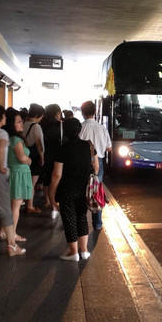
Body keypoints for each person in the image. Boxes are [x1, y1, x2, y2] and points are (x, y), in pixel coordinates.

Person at [49, 118, 99, 261]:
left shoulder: (62, 149)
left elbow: (57, 175)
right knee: (82, 217)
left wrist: (51, 194)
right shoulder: (88, 146)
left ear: (65, 131)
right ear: (80, 130)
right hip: (84, 190)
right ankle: (84, 251)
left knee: (70, 220)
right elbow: (96, 167)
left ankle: (73, 253)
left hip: (67, 190)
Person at [0, 104, 26, 257]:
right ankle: (11, 245)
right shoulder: (2, 134)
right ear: (0, 118)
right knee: (6, 210)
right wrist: (2, 166)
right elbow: (1, 147)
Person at [78, 100, 111, 231]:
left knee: (82, 190)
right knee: (96, 191)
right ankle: (97, 223)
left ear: (82, 113)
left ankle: (82, 221)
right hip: (99, 163)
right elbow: (109, 148)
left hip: (82, 162)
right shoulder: (102, 128)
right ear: (95, 112)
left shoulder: (80, 127)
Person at [3, 107, 32, 243]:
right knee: (16, 206)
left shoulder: (7, 137)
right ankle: (12, 234)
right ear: (11, 124)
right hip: (19, 174)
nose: (21, 124)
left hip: (12, 173)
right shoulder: (16, 140)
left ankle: (3, 231)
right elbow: (22, 158)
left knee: (10, 206)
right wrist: (29, 160)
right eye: (19, 121)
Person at [41, 103, 64, 218]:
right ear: (57, 113)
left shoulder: (42, 125)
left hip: (46, 156)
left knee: (48, 179)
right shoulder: (60, 126)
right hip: (58, 156)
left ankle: (49, 202)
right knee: (57, 179)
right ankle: (56, 203)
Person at [23, 103, 45, 214]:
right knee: (32, 182)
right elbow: (39, 144)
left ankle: (24, 202)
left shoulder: (22, 124)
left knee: (25, 180)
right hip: (34, 156)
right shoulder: (35, 126)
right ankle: (30, 205)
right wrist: (42, 157)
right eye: (41, 116)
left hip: (24, 154)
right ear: (38, 115)